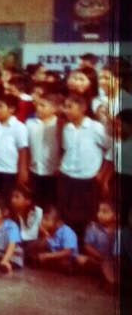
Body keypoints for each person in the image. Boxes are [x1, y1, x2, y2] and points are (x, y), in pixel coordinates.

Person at [58, 94, 113, 239]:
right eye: (65, 107)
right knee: (66, 213)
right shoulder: (67, 128)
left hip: (87, 179)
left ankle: (85, 248)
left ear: (82, 108)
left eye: (70, 107)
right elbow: (66, 149)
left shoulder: (96, 128)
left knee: (86, 216)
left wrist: (102, 173)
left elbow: (111, 147)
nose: (66, 111)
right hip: (67, 176)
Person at [0, 93, 29, 198]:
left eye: (0, 106)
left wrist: (23, 170)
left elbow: (23, 149)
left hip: (9, 170)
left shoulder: (19, 127)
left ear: (11, 109)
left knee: (6, 198)